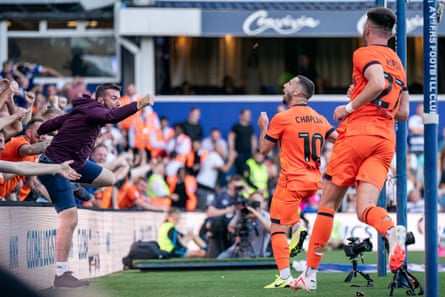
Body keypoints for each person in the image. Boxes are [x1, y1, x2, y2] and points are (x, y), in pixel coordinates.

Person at [290, 7, 410, 292]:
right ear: (392, 34)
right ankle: (391, 231)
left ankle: (310, 275)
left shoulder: (364, 53)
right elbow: (403, 111)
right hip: (385, 139)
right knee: (365, 208)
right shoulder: (400, 63)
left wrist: (350, 106)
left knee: (328, 204)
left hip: (358, 133)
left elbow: (378, 82)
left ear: (368, 30)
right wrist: (360, 94)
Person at [36, 82, 155, 288]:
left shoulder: (85, 110)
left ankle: (73, 183)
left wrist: (42, 129)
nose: (118, 102)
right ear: (100, 100)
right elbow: (111, 118)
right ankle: (61, 274)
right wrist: (140, 104)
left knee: (109, 178)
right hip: (55, 166)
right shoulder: (96, 111)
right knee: (70, 218)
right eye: (114, 98)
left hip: (75, 165)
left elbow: (61, 120)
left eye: (119, 97)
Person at [258, 75, 337, 289]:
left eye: (290, 83)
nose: (284, 84)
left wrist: (263, 126)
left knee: (277, 226)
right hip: (312, 181)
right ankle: (295, 228)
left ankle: (296, 231)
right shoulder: (319, 118)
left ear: (297, 93)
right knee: (278, 222)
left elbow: (263, 150)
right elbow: (338, 138)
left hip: (291, 180)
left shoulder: (282, 117)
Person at [203, 174, 247, 258]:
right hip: (220, 229)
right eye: (236, 186)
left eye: (240, 186)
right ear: (230, 184)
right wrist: (229, 210)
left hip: (234, 230)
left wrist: (247, 193)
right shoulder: (221, 195)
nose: (238, 189)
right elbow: (210, 212)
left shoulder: (241, 197)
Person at [216, 191, 271, 259]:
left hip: (258, 252)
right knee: (220, 258)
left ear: (263, 204)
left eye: (258, 202)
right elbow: (230, 226)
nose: (256, 205)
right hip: (240, 248)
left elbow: (271, 230)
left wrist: (256, 214)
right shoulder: (243, 213)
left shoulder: (265, 216)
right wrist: (236, 236)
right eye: (253, 202)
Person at [228, 108, 257, 175]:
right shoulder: (236, 127)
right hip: (239, 153)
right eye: (247, 114)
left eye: (249, 115)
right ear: (241, 115)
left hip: (248, 153)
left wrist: (254, 151)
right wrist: (232, 150)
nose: (249, 116)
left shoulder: (250, 127)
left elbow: (253, 139)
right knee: (240, 170)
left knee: (248, 170)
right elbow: (231, 138)